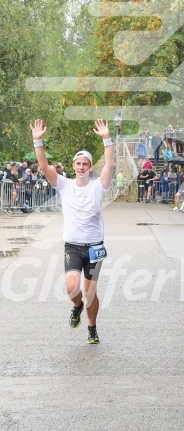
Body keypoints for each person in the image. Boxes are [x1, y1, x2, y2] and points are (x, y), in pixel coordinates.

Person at [30, 118, 114, 344]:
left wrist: (107, 138)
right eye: (78, 164)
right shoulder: (64, 185)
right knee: (71, 287)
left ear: (90, 167)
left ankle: (92, 328)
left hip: (95, 247)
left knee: (90, 294)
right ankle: (76, 307)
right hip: (73, 246)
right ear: (74, 165)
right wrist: (38, 141)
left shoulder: (98, 186)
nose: (81, 168)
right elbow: (45, 167)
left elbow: (110, 165)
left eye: (85, 164)